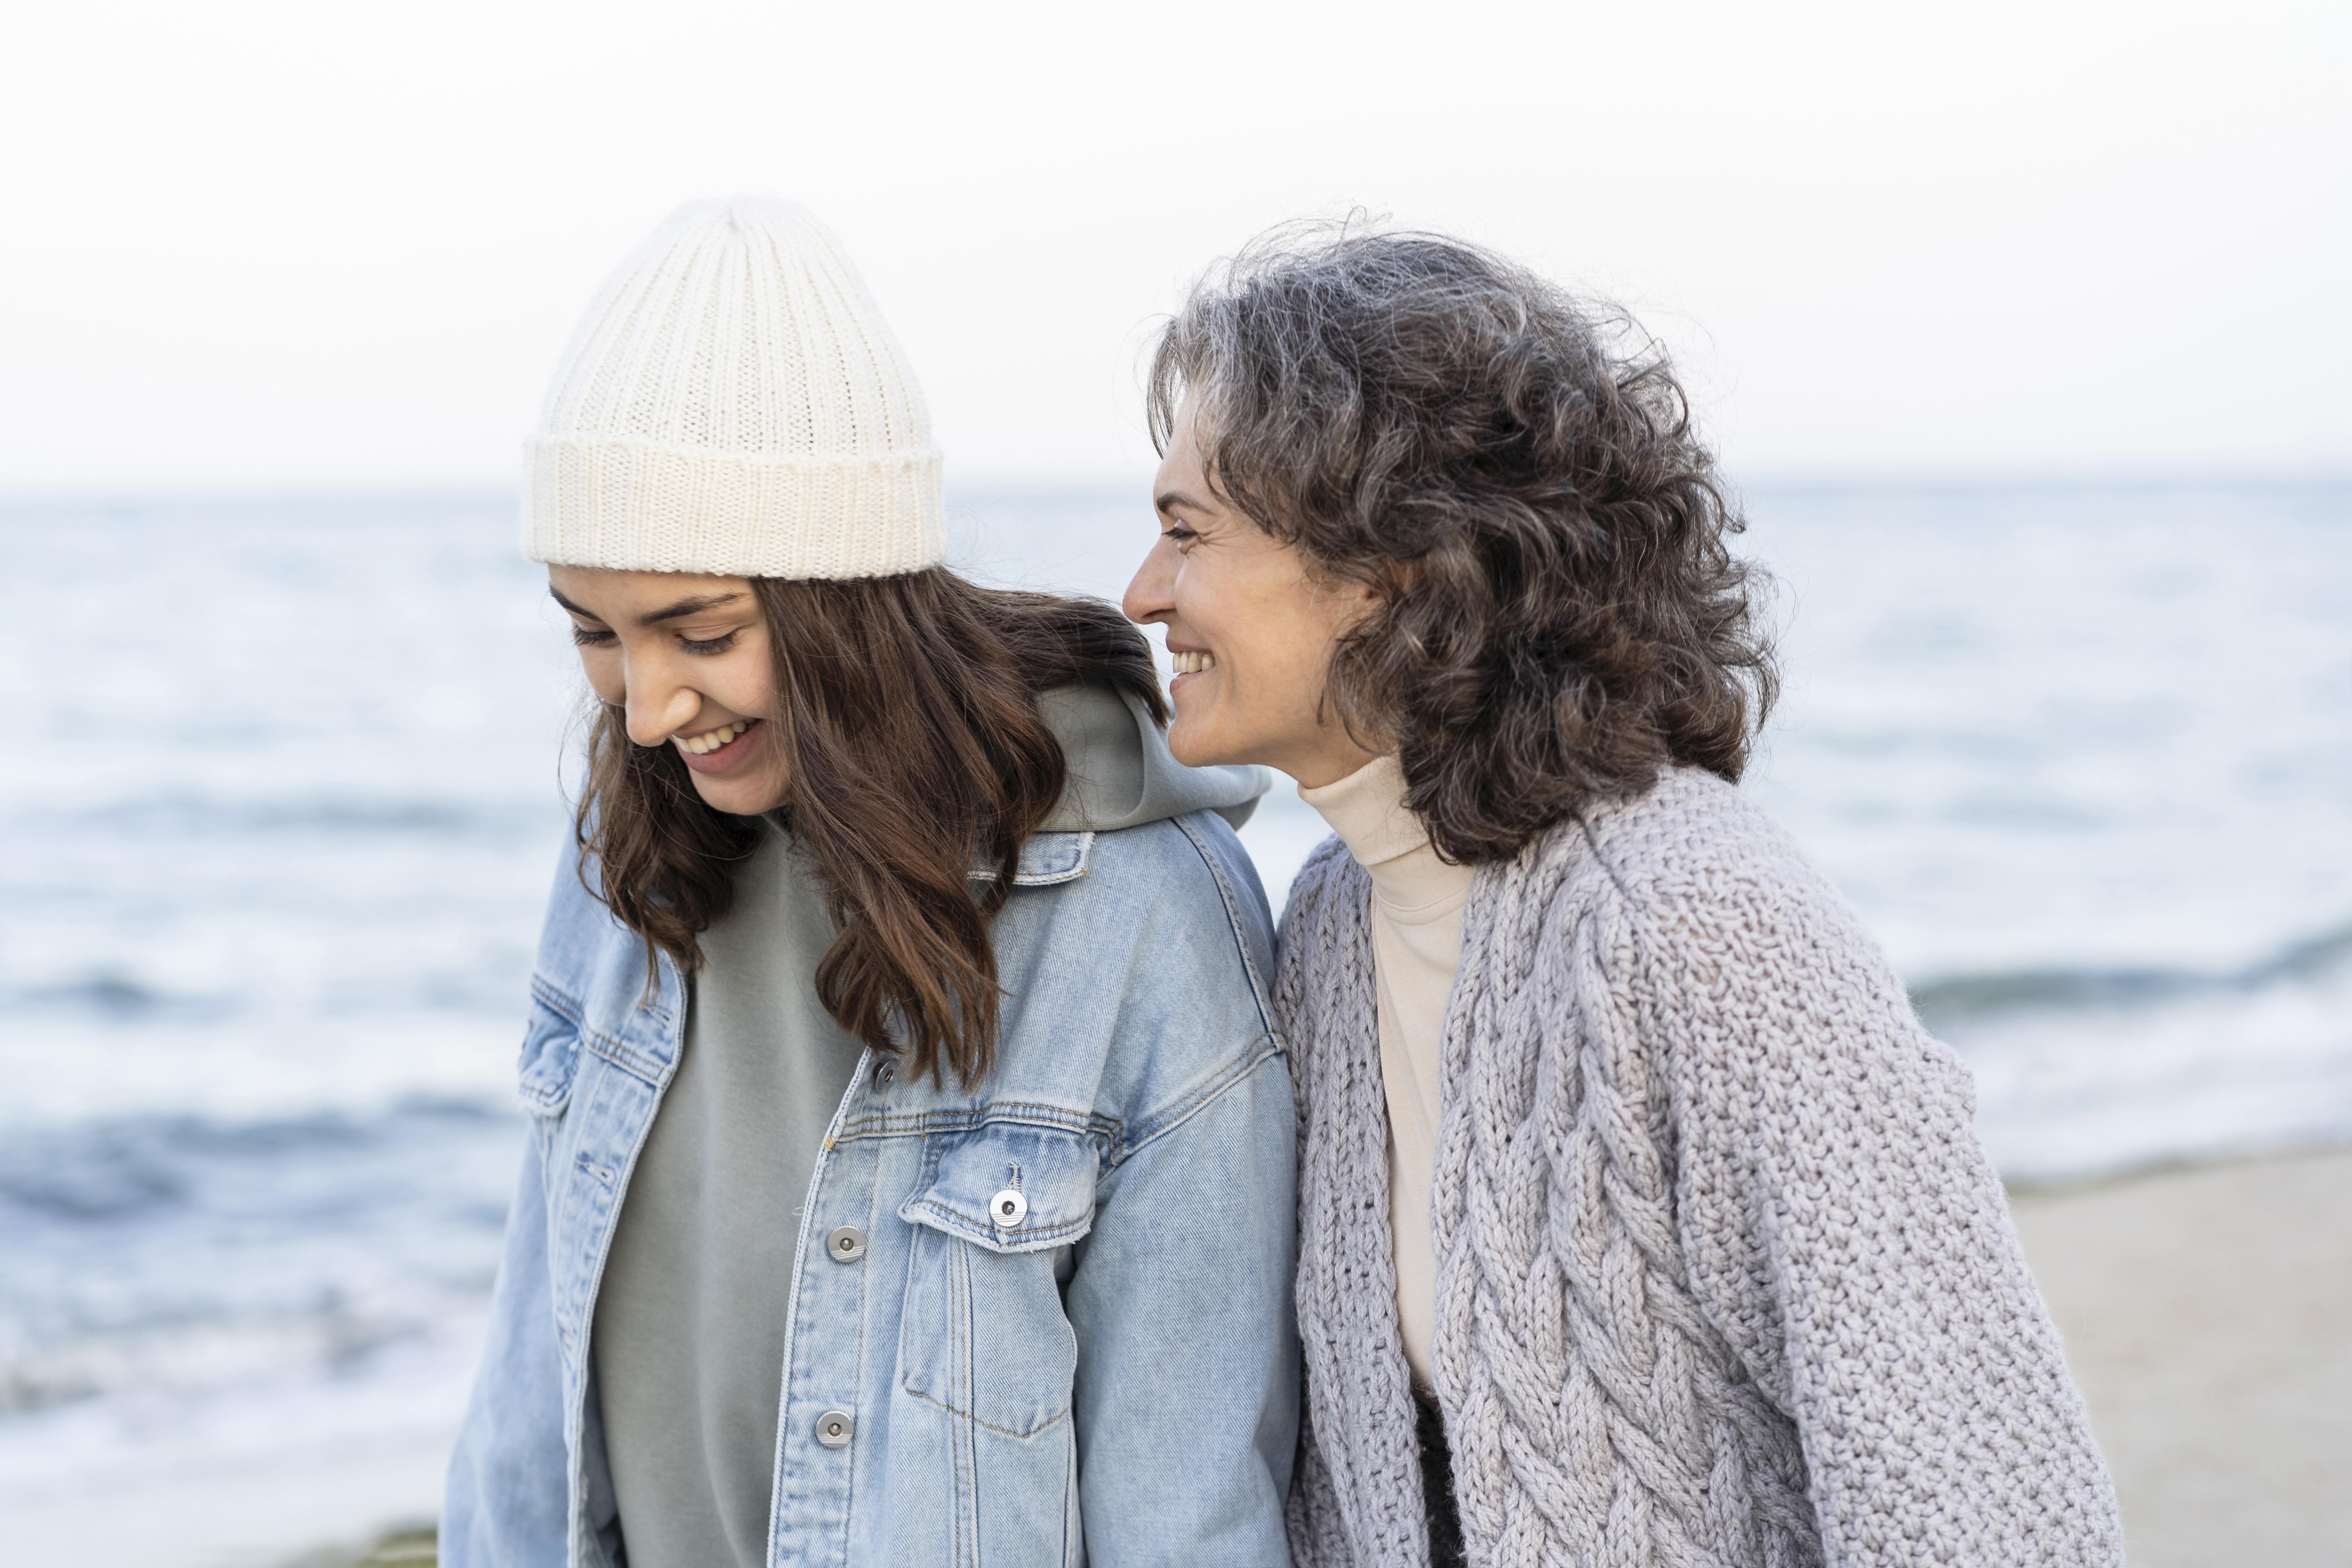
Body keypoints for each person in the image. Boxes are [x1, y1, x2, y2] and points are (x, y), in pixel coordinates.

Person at [1122, 227, 2126, 1567]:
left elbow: (1982, 1495)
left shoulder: (1695, 920)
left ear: (1394, 563)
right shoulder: (1330, 928)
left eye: (1188, 535)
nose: (1144, 595)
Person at [443, 197, 1300, 1567]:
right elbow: (523, 1406)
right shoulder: (625, 849)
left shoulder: (1145, 919)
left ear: (846, 597)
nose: (650, 706)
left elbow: (1189, 1507)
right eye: (594, 633)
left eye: (701, 630)